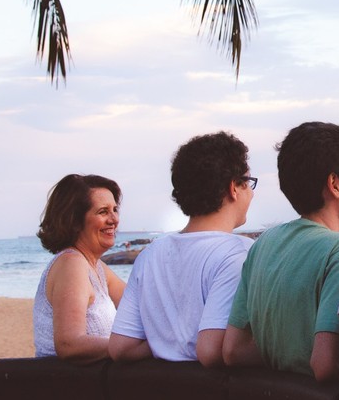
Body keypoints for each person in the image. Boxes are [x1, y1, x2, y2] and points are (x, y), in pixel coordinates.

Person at [223, 122, 339, 382]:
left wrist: (284, 351)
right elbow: (326, 365)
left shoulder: (264, 244)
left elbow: (233, 350)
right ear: (335, 184)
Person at [108, 132, 256, 366]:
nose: (252, 192)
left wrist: (164, 340)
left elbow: (121, 347)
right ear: (233, 188)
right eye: (248, 183)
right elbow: (212, 350)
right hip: (213, 397)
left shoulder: (150, 255)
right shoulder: (239, 253)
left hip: (159, 396)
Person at [33, 173, 127, 363]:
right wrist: (130, 347)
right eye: (103, 212)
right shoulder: (71, 264)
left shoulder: (96, 266)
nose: (114, 219)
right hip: (67, 385)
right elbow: (69, 344)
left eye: (115, 210)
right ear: (75, 221)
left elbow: (140, 305)